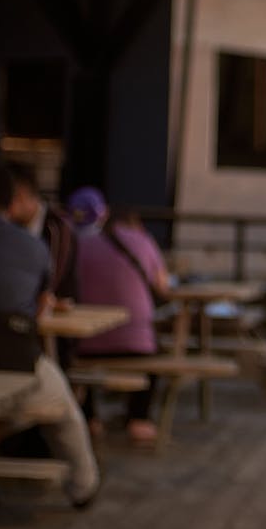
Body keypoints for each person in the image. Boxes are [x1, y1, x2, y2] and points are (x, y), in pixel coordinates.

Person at [0, 162, 101, 508]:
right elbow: (37, 308)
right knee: (64, 409)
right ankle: (83, 486)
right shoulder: (32, 247)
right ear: (10, 201)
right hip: (13, 368)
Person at [69, 186, 169, 445]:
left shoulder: (77, 244)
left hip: (85, 344)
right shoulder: (141, 240)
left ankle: (89, 418)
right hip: (137, 345)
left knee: (72, 357)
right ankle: (139, 419)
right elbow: (163, 286)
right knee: (155, 348)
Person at [7, 161, 80, 365]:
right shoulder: (9, 227)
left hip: (58, 331)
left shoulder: (56, 227)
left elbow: (52, 281)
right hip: (21, 323)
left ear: (22, 194)